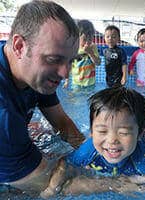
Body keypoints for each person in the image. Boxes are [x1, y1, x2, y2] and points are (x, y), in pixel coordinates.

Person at [0, 0, 85, 198]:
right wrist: (122, 182)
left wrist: (96, 151)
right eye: (54, 59)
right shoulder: (3, 113)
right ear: (19, 46)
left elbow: (63, 124)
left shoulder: (33, 74)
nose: (65, 74)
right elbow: (44, 182)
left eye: (70, 61)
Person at [61, 86, 145, 195]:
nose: (111, 140)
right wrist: (51, 190)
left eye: (123, 133)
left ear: (141, 133)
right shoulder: (89, 149)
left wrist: (139, 187)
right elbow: (65, 164)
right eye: (102, 131)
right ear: (91, 132)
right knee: (70, 188)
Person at [63, 19, 101, 88]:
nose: (87, 42)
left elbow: (98, 63)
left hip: (90, 83)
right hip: (76, 83)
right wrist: (67, 81)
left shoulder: (93, 47)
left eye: (90, 39)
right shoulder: (74, 49)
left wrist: (91, 53)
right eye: (84, 39)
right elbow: (69, 66)